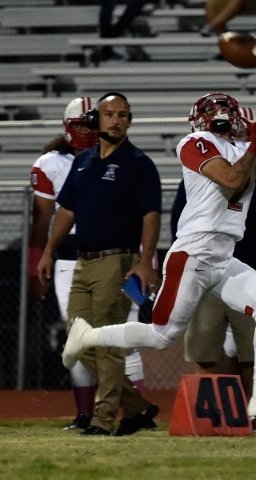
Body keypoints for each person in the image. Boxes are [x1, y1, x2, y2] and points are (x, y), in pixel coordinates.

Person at [62, 80, 256, 422]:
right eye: (214, 111)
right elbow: (233, 179)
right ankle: (86, 335)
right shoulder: (193, 143)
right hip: (193, 253)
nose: (222, 115)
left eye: (226, 110)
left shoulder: (240, 150)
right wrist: (253, 145)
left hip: (223, 256)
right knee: (162, 335)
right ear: (199, 119)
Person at [38, 91, 162, 436]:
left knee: (106, 345)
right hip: (82, 262)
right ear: (97, 119)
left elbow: (151, 214)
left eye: (124, 114)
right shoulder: (83, 162)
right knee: (77, 341)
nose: (117, 120)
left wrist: (144, 262)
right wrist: (49, 250)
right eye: (110, 114)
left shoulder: (139, 163)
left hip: (117, 261)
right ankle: (139, 408)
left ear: (129, 121)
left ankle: (103, 419)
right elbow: (66, 210)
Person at [174, 107, 256, 432]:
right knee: (206, 350)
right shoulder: (198, 163)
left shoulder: (253, 167)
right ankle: (215, 416)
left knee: (250, 348)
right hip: (205, 267)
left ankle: (254, 416)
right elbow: (181, 217)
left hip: (243, 270)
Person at [29, 97, 99, 430]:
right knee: (78, 338)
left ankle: (127, 411)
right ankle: (85, 414)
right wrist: (35, 266)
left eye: (91, 124)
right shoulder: (51, 163)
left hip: (113, 255)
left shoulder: (118, 157)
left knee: (115, 337)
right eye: (80, 124)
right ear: (67, 127)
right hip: (69, 259)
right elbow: (40, 221)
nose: (86, 131)